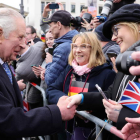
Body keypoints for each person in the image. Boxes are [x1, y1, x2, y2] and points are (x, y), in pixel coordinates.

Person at [0, 7, 76, 140]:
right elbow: (8, 120)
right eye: (20, 37)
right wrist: (57, 113)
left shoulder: (4, 62)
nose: (24, 43)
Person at [66, 4, 140, 140]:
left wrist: (122, 116)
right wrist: (81, 98)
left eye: (116, 30)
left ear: (137, 26)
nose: (113, 38)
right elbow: (110, 95)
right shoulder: (127, 64)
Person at [47, 32, 116, 140]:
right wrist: (66, 100)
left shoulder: (107, 74)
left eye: (83, 46)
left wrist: (88, 107)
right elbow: (52, 89)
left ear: (94, 49)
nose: (77, 50)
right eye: (75, 46)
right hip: (66, 128)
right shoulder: (69, 70)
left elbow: (109, 103)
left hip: (92, 133)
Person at [44, 10, 78, 86]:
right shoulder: (76, 40)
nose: (49, 30)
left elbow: (50, 79)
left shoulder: (63, 48)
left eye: (51, 26)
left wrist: (49, 63)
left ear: (59, 24)